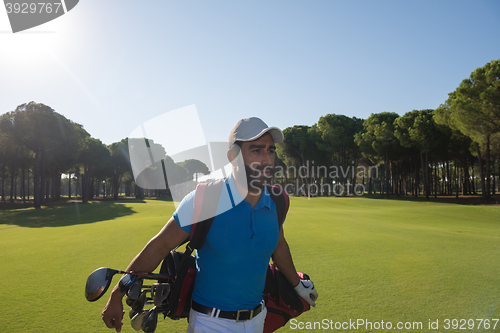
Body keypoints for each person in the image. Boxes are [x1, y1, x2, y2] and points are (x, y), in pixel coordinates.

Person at [101, 117, 318, 333]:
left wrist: (298, 286)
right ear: (233, 157)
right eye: (256, 150)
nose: (266, 159)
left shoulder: (277, 201)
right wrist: (117, 294)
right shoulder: (203, 201)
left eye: (270, 151)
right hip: (210, 323)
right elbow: (159, 247)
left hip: (257, 320)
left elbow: (278, 244)